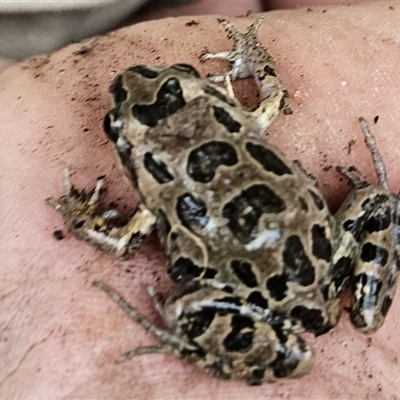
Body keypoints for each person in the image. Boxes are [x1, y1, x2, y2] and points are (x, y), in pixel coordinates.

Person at [1, 2, 399, 398]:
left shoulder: (154, 199)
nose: (136, 80)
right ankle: (358, 313)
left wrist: (78, 214)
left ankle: (197, 345)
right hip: (324, 265)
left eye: (186, 76)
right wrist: (249, 54)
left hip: (275, 290)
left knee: (181, 311)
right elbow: (274, 93)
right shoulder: (251, 121)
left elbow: (121, 243)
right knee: (376, 202)